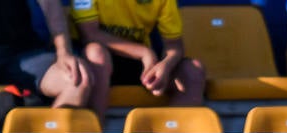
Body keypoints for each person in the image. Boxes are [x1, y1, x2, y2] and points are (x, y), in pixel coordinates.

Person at [72, 0, 206, 123]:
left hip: (141, 64)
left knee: (193, 71)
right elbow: (89, 34)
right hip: (93, 64)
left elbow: (174, 45)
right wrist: (144, 53)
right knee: (96, 53)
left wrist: (165, 66)